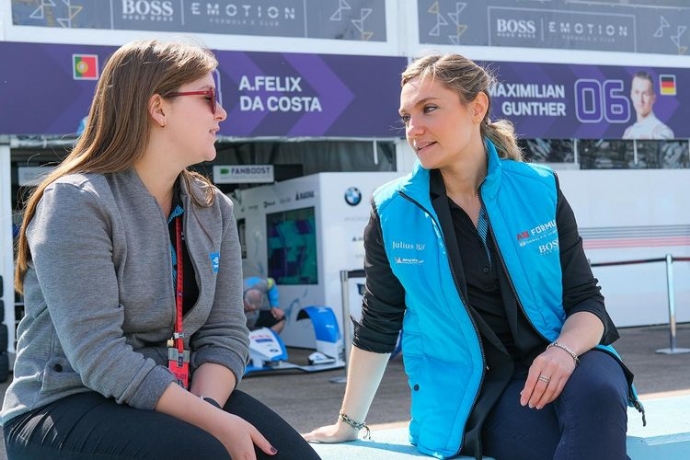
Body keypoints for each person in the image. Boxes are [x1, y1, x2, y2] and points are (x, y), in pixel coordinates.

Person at [303, 53, 643, 460]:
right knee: (556, 443)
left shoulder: (539, 189)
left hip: (568, 357)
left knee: (600, 395)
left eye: (429, 109)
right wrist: (349, 423)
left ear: (477, 108)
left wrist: (563, 351)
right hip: (477, 389)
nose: (414, 128)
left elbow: (587, 302)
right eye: (407, 115)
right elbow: (380, 319)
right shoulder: (393, 210)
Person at [1, 39, 320, 460]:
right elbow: (99, 355)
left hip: (177, 393)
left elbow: (225, 333)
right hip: (62, 404)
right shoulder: (76, 201)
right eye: (208, 97)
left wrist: (206, 410)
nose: (221, 113)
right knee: (204, 453)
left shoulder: (213, 207)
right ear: (158, 108)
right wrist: (208, 424)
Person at [623, 70, 674, 140]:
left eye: (645, 94)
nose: (640, 99)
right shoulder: (628, 133)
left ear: (653, 98)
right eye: (637, 92)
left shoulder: (662, 131)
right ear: (631, 95)